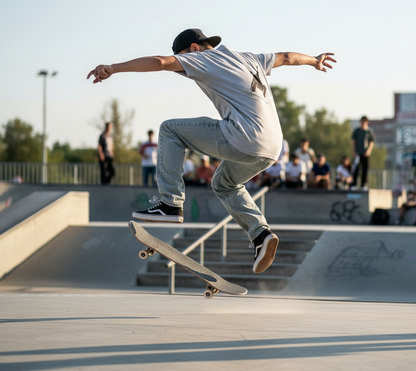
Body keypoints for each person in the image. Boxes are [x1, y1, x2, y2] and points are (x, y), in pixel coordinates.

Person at [87, 28, 336, 273]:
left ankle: (170, 203)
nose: (183, 68)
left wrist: (113, 68)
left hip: (243, 138)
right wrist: (314, 60)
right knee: (224, 184)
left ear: (194, 49)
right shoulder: (249, 58)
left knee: (169, 130)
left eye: (184, 59)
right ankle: (261, 234)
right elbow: (287, 57)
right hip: (272, 148)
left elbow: (161, 62)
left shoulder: (202, 58)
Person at [351, 116, 375, 191]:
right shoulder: (357, 131)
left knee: (365, 169)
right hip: (358, 153)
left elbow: (371, 142)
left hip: (365, 153)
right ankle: (354, 184)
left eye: (364, 121)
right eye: (362, 121)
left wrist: (368, 151)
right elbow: (353, 142)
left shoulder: (369, 131)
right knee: (356, 169)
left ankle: (363, 185)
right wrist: (354, 151)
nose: (363, 123)